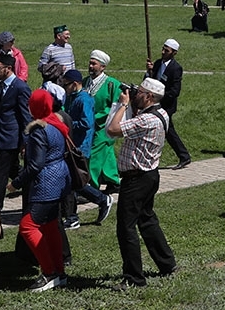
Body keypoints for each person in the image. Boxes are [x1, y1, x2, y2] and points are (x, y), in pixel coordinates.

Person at [106, 77, 178, 289]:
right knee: (146, 219)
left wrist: (123, 104)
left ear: (149, 96)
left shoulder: (146, 120)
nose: (136, 94)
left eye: (140, 92)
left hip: (136, 179)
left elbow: (112, 129)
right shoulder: (161, 114)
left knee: (126, 227)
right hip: (150, 175)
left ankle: (134, 278)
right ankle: (167, 263)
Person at [17, 89, 71, 291]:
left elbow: (36, 165)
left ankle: (49, 272)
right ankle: (59, 272)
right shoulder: (57, 123)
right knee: (49, 226)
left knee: (28, 226)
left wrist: (16, 183)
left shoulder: (39, 129)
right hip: (59, 180)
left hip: (46, 183)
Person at [60, 70, 113, 228]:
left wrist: (67, 124)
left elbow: (86, 123)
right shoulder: (72, 98)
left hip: (80, 148)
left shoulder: (84, 100)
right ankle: (73, 214)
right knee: (72, 182)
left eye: (67, 85)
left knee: (73, 182)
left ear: (75, 84)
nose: (65, 88)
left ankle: (99, 201)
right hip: (71, 146)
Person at [0, 52, 32, 212]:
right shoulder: (1, 85)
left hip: (12, 138)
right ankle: (31, 179)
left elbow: (25, 117)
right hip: (1, 136)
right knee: (13, 170)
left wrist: (26, 141)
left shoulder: (20, 88)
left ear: (8, 69)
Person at [146, 39, 191, 169]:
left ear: (174, 53)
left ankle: (184, 156)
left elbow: (175, 91)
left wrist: (160, 97)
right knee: (167, 131)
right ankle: (183, 156)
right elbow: (153, 80)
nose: (163, 52)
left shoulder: (176, 68)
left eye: (167, 51)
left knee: (169, 131)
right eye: (163, 49)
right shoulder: (159, 63)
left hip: (167, 105)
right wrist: (150, 70)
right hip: (156, 103)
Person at [85, 50, 122, 193]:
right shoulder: (85, 82)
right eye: (90, 62)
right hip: (87, 126)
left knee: (94, 154)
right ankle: (114, 181)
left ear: (103, 67)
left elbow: (114, 107)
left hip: (104, 126)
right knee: (106, 153)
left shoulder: (112, 84)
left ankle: (92, 187)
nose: (91, 66)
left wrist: (97, 118)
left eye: (94, 64)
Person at [0, 31, 29, 96]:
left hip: (15, 87)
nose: (13, 43)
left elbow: (24, 68)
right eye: (11, 41)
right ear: (4, 43)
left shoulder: (17, 53)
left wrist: (19, 81)